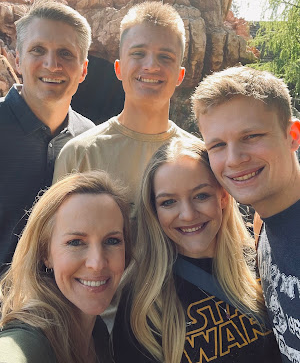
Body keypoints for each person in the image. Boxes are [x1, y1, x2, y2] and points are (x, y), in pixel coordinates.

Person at [113, 138, 281, 363]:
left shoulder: (262, 260)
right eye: (168, 202)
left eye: (201, 196)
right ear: (154, 211)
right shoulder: (142, 300)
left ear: (223, 196)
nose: (188, 215)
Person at [191, 66, 300, 361]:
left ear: (293, 135)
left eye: (251, 136)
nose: (234, 159)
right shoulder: (264, 224)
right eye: (217, 145)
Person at [53, 1, 197, 215]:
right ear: (118, 69)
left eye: (165, 57)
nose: (151, 66)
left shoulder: (198, 157)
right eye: (138, 53)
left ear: (180, 75)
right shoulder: (81, 154)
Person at [0, 0, 95, 270]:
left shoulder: (90, 139)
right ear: (17, 60)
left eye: (65, 53)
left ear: (84, 69)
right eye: (38, 50)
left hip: (65, 307)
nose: (52, 64)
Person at [0, 171, 132, 363]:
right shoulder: (28, 341)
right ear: (45, 254)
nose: (97, 264)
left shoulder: (97, 332)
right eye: (76, 242)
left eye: (112, 241)